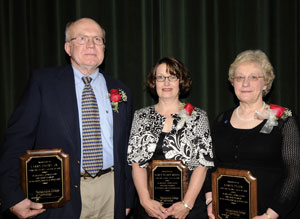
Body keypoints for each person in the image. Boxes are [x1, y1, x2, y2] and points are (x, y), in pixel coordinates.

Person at [0, 18, 135, 219]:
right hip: (59, 197)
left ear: (104, 48)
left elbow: (127, 149)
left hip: (111, 193)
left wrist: (126, 197)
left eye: (97, 39)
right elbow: (16, 140)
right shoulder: (43, 83)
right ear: (68, 47)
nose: (91, 44)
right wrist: (12, 196)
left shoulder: (121, 90)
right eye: (82, 38)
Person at [206, 50, 300, 219]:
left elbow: (295, 174)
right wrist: (210, 202)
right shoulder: (222, 119)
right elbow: (211, 165)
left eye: (254, 77)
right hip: (225, 213)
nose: (245, 83)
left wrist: (270, 215)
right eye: (239, 77)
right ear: (232, 83)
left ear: (266, 83)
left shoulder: (285, 119)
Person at [127, 56, 214, 219]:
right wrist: (145, 201)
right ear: (154, 82)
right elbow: (137, 163)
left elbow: (203, 165)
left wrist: (187, 205)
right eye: (161, 77)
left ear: (181, 82)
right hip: (150, 209)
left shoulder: (198, 117)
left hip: (189, 210)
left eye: (172, 77)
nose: (166, 83)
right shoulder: (141, 116)